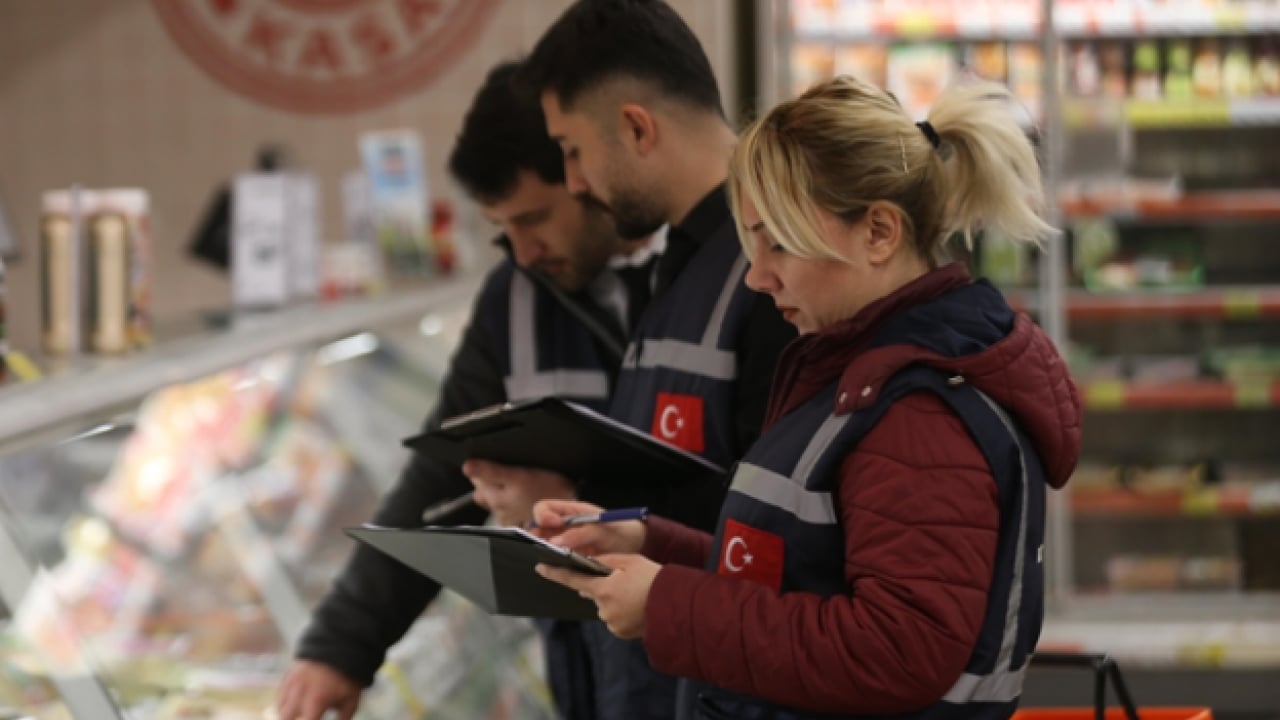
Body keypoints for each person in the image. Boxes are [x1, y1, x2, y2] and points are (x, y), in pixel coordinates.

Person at [535, 75, 1084, 720]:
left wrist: (668, 605)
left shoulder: (920, 414)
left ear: (878, 232)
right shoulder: (855, 371)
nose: (759, 277)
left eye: (780, 243)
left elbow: (896, 650)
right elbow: (798, 571)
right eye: (750, 243)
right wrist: (651, 546)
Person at [275, 60, 647, 720]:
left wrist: (577, 507)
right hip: (584, 662)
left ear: (586, 172)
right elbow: (443, 473)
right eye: (505, 230)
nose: (524, 251)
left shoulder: (722, 278)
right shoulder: (517, 297)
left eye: (536, 218)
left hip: (696, 657)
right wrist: (341, 647)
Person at [462, 1, 795, 717]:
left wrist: (598, 510)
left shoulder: (773, 276)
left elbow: (781, 537)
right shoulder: (685, 263)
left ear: (637, 127)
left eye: (573, 150)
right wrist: (587, 513)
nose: (574, 182)